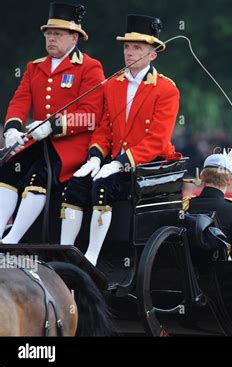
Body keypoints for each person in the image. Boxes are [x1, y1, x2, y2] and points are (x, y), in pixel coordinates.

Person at [59, 14, 181, 265]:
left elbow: (157, 140)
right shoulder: (112, 84)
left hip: (148, 164)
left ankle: (92, 256)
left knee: (103, 186)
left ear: (152, 54)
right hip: (113, 159)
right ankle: (65, 251)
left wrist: (119, 163)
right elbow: (104, 128)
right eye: (127, 47)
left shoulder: (166, 89)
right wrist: (94, 157)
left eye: (137, 47)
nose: (130, 52)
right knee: (76, 183)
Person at [0, 2, 105, 243]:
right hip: (36, 141)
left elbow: (91, 115)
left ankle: (12, 239)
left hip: (71, 146)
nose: (51, 39)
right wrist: (13, 128)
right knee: (7, 169)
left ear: (74, 38)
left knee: (38, 176)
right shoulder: (34, 67)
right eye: (48, 34)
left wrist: (54, 126)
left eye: (58, 34)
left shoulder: (90, 67)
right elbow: (19, 101)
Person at [185, 154, 232, 275]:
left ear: (202, 176)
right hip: (220, 285)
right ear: (229, 180)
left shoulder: (185, 206)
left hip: (186, 281)